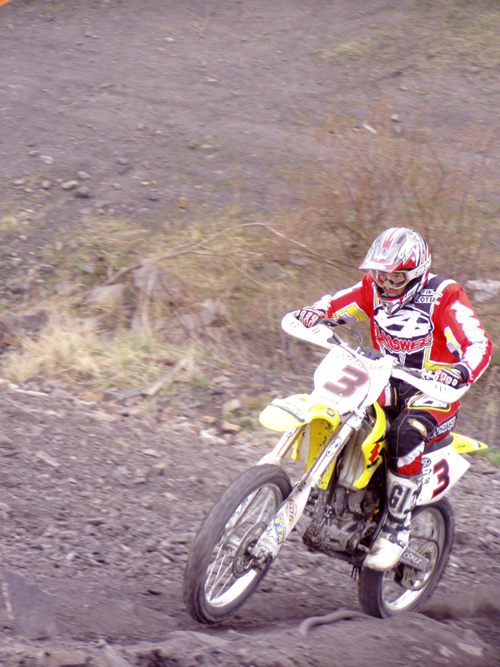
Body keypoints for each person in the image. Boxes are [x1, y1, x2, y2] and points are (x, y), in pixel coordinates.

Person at [296, 227, 492, 571]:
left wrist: (459, 370)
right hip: (387, 379)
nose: (386, 284)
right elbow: (337, 303)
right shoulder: (371, 289)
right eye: (381, 274)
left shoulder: (444, 296)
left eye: (396, 277)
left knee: (405, 433)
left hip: (434, 392)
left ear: (415, 274)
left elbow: (479, 344)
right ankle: (328, 489)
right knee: (344, 406)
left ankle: (397, 528)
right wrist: (315, 311)